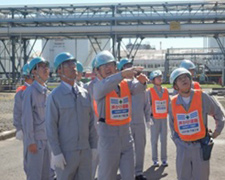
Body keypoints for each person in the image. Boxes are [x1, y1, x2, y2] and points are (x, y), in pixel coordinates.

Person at [93, 50, 149, 180]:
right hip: (108, 135)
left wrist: (142, 82)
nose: (108, 68)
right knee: (107, 175)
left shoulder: (124, 84)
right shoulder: (98, 86)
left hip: (126, 134)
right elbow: (106, 86)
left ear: (115, 66)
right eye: (104, 66)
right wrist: (122, 74)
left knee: (129, 174)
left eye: (111, 64)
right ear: (97, 71)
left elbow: (137, 89)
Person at [46, 52, 97, 180]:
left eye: (73, 63)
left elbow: (91, 123)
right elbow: (51, 126)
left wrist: (94, 146)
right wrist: (56, 153)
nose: (73, 66)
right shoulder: (55, 96)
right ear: (59, 71)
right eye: (68, 64)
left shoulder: (84, 93)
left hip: (85, 151)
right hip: (66, 153)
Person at [169, 67, 225, 180]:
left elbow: (218, 114)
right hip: (182, 148)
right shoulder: (173, 102)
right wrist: (178, 142)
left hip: (200, 147)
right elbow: (172, 126)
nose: (184, 80)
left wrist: (217, 132)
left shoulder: (202, 97)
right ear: (176, 86)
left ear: (190, 80)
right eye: (180, 79)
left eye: (186, 77)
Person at [118, 58, 151, 180]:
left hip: (139, 121)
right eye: (126, 67)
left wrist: (148, 118)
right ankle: (125, 173)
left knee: (140, 147)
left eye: (131, 67)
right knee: (126, 150)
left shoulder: (141, 85)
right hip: (126, 122)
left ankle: (138, 172)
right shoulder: (120, 85)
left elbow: (146, 103)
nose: (130, 69)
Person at [22, 57, 53, 180]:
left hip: (47, 141)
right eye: (42, 66)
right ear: (34, 72)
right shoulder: (30, 92)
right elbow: (27, 119)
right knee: (35, 176)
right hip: (36, 142)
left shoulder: (47, 93)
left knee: (47, 175)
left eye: (47, 66)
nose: (46, 69)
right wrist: (30, 141)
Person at [147, 70, 170, 167]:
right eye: (157, 77)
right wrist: (148, 118)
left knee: (164, 140)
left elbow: (169, 103)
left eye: (160, 77)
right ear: (153, 80)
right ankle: (155, 160)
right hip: (154, 119)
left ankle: (164, 159)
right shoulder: (150, 91)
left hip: (164, 118)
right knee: (154, 140)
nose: (160, 79)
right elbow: (147, 105)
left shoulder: (165, 90)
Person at [83, 58, 99, 180]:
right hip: (92, 126)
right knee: (92, 158)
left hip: (108, 126)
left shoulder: (111, 85)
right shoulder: (87, 87)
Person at [13, 62, 33, 141]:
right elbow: (17, 111)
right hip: (28, 129)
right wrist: (19, 128)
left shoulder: (40, 90)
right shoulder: (21, 93)